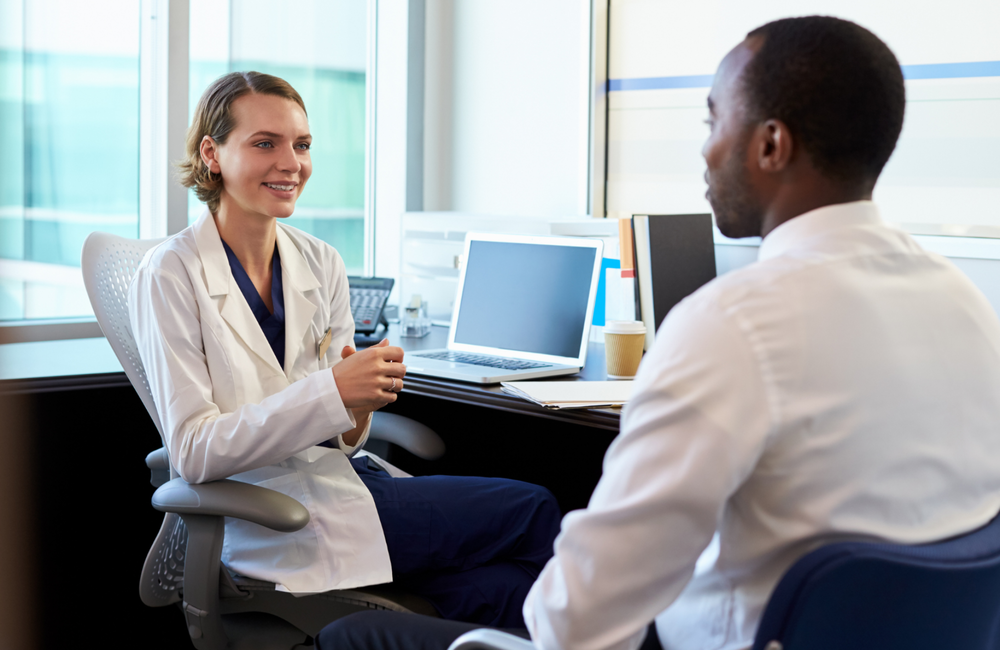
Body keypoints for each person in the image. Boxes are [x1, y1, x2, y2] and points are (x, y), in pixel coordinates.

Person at [317, 15, 1000, 650]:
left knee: (358, 635)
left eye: (712, 120)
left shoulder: (733, 321)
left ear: (770, 144)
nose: (705, 152)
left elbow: (575, 623)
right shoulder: (961, 301)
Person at [128, 71, 560, 627]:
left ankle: (378, 635)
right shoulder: (170, 272)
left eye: (302, 145)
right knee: (535, 511)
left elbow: (343, 440)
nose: (292, 163)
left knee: (505, 589)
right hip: (272, 515)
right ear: (212, 154)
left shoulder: (320, 261)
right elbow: (191, 452)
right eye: (266, 143)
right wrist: (332, 392)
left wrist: (358, 405)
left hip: (345, 485)